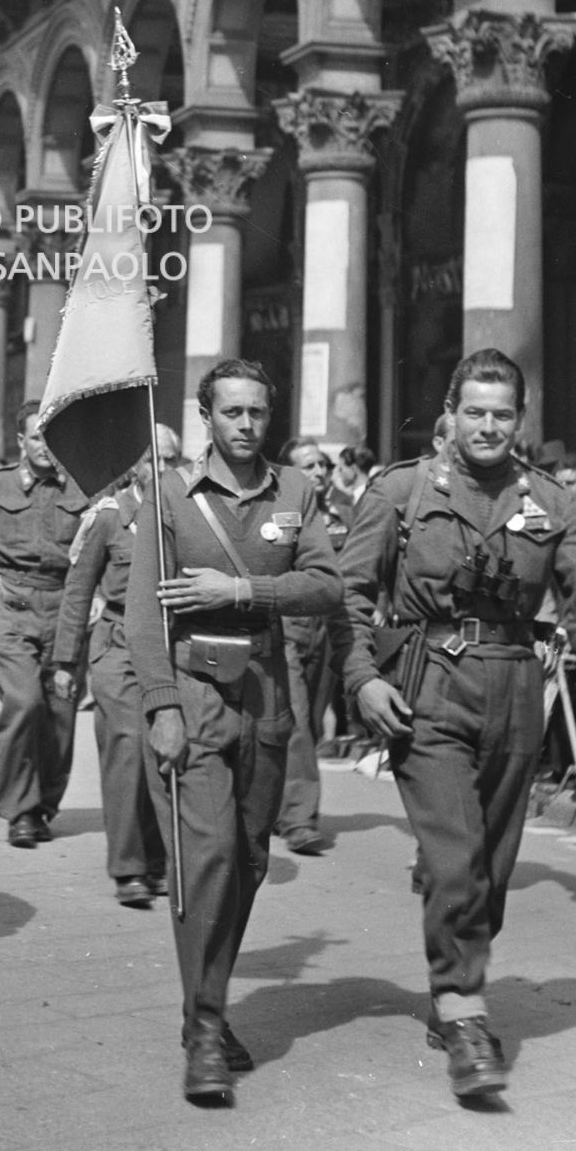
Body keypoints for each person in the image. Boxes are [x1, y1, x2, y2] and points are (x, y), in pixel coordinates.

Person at [340, 350, 576, 1101]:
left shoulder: (549, 498)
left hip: (514, 687)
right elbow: (346, 593)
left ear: (520, 419)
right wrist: (362, 677)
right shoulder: (403, 490)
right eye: (474, 412)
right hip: (428, 685)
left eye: (502, 414)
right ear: (450, 415)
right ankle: (464, 1010)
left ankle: (454, 986)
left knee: (492, 866)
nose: (487, 426)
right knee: (453, 858)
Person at [130, 361, 346, 1105]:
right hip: (193, 689)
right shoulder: (170, 494)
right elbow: (142, 613)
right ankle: (203, 1032)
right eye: (231, 412)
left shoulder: (296, 491)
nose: (246, 425)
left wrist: (243, 588)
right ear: (206, 418)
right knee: (208, 858)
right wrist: (160, 706)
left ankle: (209, 1004)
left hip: (265, 689)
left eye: (257, 411)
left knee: (249, 857)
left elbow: (326, 585)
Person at [0, 398, 94, 847]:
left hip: (66, 609)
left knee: (60, 713)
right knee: (25, 702)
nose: (45, 447)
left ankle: (43, 806)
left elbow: (99, 551)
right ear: (21, 440)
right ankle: (19, 809)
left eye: (53, 438)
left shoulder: (84, 487)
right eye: (37, 437)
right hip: (11, 605)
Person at [54, 424, 178, 908]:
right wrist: (65, 662)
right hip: (118, 644)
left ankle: (157, 859)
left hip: (167, 647)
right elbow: (77, 592)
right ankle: (129, 867)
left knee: (163, 749)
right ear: (136, 467)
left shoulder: (183, 513)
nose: (164, 469)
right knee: (128, 746)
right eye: (155, 460)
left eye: (172, 459)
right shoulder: (108, 518)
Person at [274, 435, 340, 853]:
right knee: (296, 720)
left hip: (328, 628)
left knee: (311, 723)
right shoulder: (277, 512)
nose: (318, 472)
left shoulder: (341, 514)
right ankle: (300, 819)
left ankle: (276, 805)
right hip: (287, 623)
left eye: (322, 465)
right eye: (308, 465)